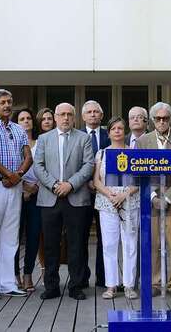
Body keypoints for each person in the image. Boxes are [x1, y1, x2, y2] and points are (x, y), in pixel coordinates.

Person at [34, 103, 94, 300]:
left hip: (76, 197)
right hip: (50, 198)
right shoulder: (44, 139)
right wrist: (54, 185)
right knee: (51, 244)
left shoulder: (83, 138)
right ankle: (51, 286)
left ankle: (76, 285)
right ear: (56, 117)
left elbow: (88, 165)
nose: (66, 118)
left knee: (76, 243)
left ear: (74, 118)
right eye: (62, 114)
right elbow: (38, 166)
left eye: (69, 114)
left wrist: (70, 184)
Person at [136, 102, 171, 299]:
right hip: (151, 203)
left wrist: (167, 198)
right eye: (158, 118)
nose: (162, 122)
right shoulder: (143, 141)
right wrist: (153, 196)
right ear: (152, 120)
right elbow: (140, 172)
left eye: (165, 118)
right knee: (153, 246)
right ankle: (154, 282)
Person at [0, 89, 32, 299]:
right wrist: (9, 175)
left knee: (10, 236)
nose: (7, 105)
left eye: (9, 101)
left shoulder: (18, 129)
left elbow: (28, 155)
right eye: (2, 102)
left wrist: (18, 175)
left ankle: (7, 282)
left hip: (15, 185)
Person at [93, 116, 140, 300]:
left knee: (130, 244)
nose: (118, 131)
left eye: (121, 128)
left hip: (129, 201)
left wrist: (123, 195)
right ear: (109, 132)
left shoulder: (134, 152)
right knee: (109, 244)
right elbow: (96, 180)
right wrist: (109, 194)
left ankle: (128, 285)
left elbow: (138, 180)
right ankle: (111, 285)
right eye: (114, 129)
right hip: (107, 202)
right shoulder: (102, 154)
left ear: (125, 131)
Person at [81, 100, 110, 288]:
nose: (92, 115)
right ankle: (82, 278)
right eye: (89, 112)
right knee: (81, 237)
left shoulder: (110, 135)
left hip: (105, 193)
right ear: (83, 116)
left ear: (101, 115)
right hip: (81, 192)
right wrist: (87, 181)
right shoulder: (75, 136)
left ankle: (103, 278)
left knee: (104, 237)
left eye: (96, 112)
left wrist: (99, 184)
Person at [13, 107, 41, 292]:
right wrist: (23, 187)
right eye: (22, 118)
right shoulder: (13, 143)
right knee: (14, 237)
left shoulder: (42, 142)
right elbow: (9, 166)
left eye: (29, 118)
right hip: (16, 193)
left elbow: (47, 166)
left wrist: (34, 188)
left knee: (33, 236)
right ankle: (14, 275)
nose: (26, 121)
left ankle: (29, 274)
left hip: (38, 194)